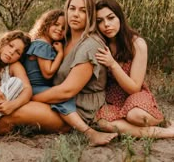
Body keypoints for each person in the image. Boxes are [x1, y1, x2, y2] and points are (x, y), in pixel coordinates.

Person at [0, 0, 117, 146]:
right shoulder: (63, 39)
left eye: (83, 11)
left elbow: (67, 92)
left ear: (91, 15)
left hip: (76, 108)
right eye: (72, 8)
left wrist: (27, 95)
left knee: (10, 112)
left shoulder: (90, 45)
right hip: (52, 99)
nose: (76, 14)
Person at [24, 9, 110, 146]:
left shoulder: (40, 43)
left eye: (64, 28)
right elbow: (48, 73)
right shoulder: (43, 46)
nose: (59, 29)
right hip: (34, 88)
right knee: (64, 102)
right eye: (55, 24)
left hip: (35, 88)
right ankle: (89, 133)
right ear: (46, 24)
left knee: (60, 99)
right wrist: (59, 54)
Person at [95, 0, 174, 138]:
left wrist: (112, 64)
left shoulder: (137, 43)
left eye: (111, 18)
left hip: (135, 96)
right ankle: (168, 132)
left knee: (135, 115)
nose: (106, 25)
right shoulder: (99, 44)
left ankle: (157, 118)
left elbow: (134, 88)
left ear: (119, 17)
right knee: (103, 123)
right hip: (112, 101)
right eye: (100, 21)